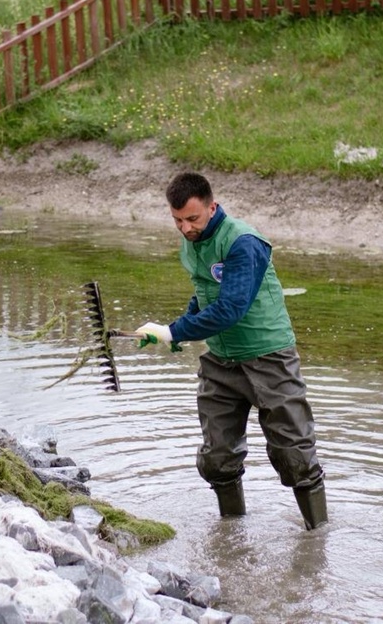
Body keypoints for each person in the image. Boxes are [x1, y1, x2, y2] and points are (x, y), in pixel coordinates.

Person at [134, 172, 328, 530]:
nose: (185, 228)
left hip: (268, 356)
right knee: (218, 456)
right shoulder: (192, 243)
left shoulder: (243, 242)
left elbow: (230, 308)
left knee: (294, 454)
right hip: (221, 361)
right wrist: (175, 332)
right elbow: (205, 293)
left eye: (192, 218)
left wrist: (172, 330)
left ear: (212, 206)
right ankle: (231, 535)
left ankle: (318, 536)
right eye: (177, 220)